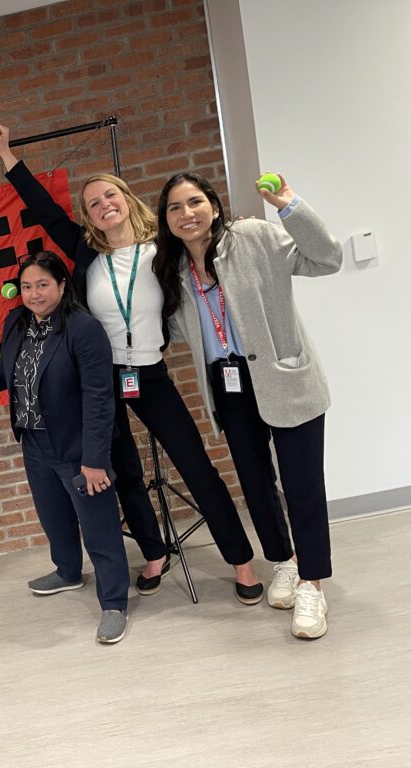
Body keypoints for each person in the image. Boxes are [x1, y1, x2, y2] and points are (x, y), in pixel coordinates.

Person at [0, 124, 263, 603]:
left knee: (195, 465)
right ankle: (153, 552)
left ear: (126, 198)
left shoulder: (164, 249)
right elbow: (45, 211)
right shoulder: (84, 252)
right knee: (124, 475)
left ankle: (241, 561)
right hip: (99, 381)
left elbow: (206, 241)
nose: (103, 205)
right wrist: (8, 157)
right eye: (93, 202)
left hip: (150, 374)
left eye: (109, 195)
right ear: (89, 216)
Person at [152, 172, 342, 639]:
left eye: (194, 202)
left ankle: (312, 583)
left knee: (302, 487)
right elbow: (180, 332)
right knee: (256, 484)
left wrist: (290, 205)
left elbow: (327, 258)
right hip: (230, 386)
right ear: (167, 220)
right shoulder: (175, 270)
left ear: (214, 207)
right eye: (174, 208)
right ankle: (282, 561)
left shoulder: (252, 236)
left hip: (283, 377)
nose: (186, 214)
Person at [0, 251, 130, 642]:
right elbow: (9, 369)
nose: (34, 294)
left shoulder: (83, 328)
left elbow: (99, 398)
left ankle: (115, 603)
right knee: (54, 516)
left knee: (98, 526)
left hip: (76, 444)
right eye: (27, 286)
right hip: (34, 441)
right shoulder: (17, 321)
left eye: (43, 285)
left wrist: (95, 459)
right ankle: (68, 572)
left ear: (62, 286)